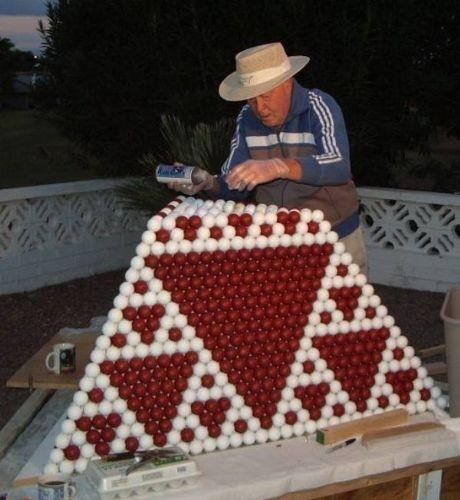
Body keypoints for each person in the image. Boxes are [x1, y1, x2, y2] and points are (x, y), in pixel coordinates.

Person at [169, 42, 367, 273]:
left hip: (335, 235)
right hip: (279, 241)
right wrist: (206, 182)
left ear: (287, 84)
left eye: (265, 96)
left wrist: (279, 166)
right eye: (251, 99)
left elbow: (339, 165)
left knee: (346, 297)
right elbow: (234, 184)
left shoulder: (318, 105)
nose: (260, 108)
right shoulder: (246, 118)